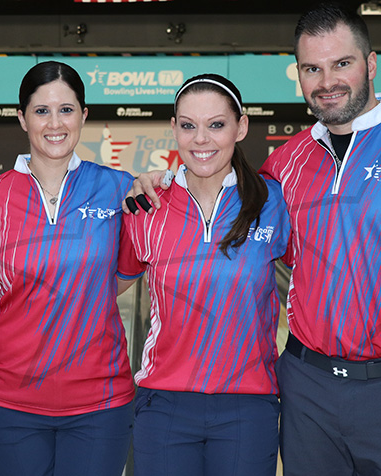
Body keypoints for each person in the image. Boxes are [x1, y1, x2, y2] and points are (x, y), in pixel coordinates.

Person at [128, 4, 381, 474]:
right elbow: (218, 194)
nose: (327, 81)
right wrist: (157, 180)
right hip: (306, 389)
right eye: (312, 68)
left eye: (341, 63)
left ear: (371, 63)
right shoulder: (286, 163)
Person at [118, 74, 290, 476]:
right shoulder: (147, 206)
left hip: (248, 404)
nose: (201, 139)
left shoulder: (272, 202)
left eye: (216, 124)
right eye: (188, 125)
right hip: (164, 403)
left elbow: (321, 273)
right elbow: (102, 289)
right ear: (174, 128)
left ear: (240, 127)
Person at [0, 61, 136, 476]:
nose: (55, 123)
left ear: (83, 115)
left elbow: (123, 275)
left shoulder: (118, 189)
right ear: (22, 117)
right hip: (9, 403)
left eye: (66, 109)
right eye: (41, 111)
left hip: (100, 403)